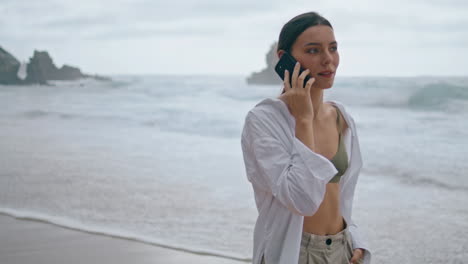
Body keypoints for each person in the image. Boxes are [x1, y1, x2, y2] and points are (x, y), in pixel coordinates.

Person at [240, 11, 372, 264]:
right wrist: (303, 120)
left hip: (344, 251)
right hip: (296, 251)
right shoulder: (263, 121)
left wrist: (356, 239)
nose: (328, 60)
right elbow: (302, 201)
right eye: (313, 51)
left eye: (333, 48)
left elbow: (344, 195)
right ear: (284, 58)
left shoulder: (340, 116)